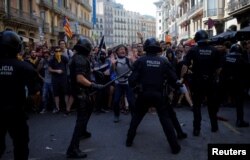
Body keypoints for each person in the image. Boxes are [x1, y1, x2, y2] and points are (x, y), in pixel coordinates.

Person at [126, 38, 181, 154]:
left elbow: (131, 81)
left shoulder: (140, 61)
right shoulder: (164, 61)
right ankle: (175, 147)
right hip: (159, 95)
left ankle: (129, 141)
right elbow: (174, 79)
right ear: (158, 49)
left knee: (136, 118)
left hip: (144, 94)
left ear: (146, 48)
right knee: (165, 120)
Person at [0, 31, 38, 159]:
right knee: (21, 146)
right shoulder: (25, 67)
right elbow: (34, 95)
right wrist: (27, 106)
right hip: (16, 114)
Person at [66, 37, 104, 159]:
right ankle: (73, 149)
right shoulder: (81, 59)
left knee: (89, 108)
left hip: (79, 91)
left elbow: (82, 73)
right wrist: (94, 85)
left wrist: (93, 70)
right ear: (87, 49)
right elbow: (79, 78)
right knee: (81, 120)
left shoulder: (77, 58)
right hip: (80, 92)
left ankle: (83, 131)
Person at [181, 30, 222, 136]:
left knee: (197, 106)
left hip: (197, 82)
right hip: (210, 81)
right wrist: (215, 77)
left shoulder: (193, 50)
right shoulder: (214, 50)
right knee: (212, 106)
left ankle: (196, 129)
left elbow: (185, 66)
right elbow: (219, 68)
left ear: (197, 39)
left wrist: (181, 77)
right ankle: (214, 126)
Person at [221, 44, 249, 127]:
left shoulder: (225, 57)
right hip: (238, 83)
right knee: (239, 103)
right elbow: (246, 72)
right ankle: (239, 120)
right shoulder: (241, 59)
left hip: (227, 82)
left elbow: (221, 69)